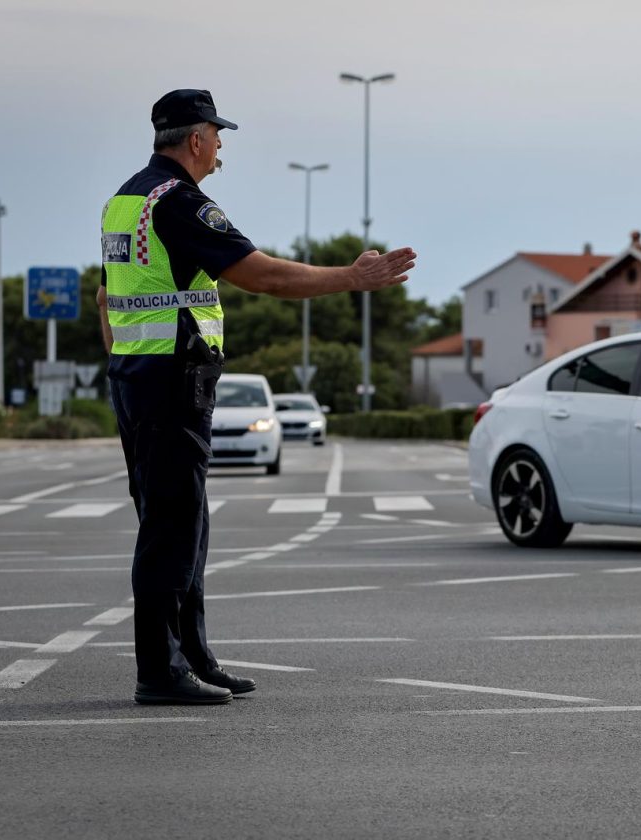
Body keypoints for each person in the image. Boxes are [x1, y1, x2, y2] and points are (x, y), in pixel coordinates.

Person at [97, 89, 415, 705]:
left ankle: (192, 657)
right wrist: (352, 278)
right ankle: (160, 671)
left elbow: (108, 298)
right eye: (217, 136)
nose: (220, 148)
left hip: (136, 378)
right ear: (196, 139)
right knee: (172, 527)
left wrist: (121, 363)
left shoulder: (124, 200)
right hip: (171, 381)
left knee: (182, 521)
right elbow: (261, 275)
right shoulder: (180, 201)